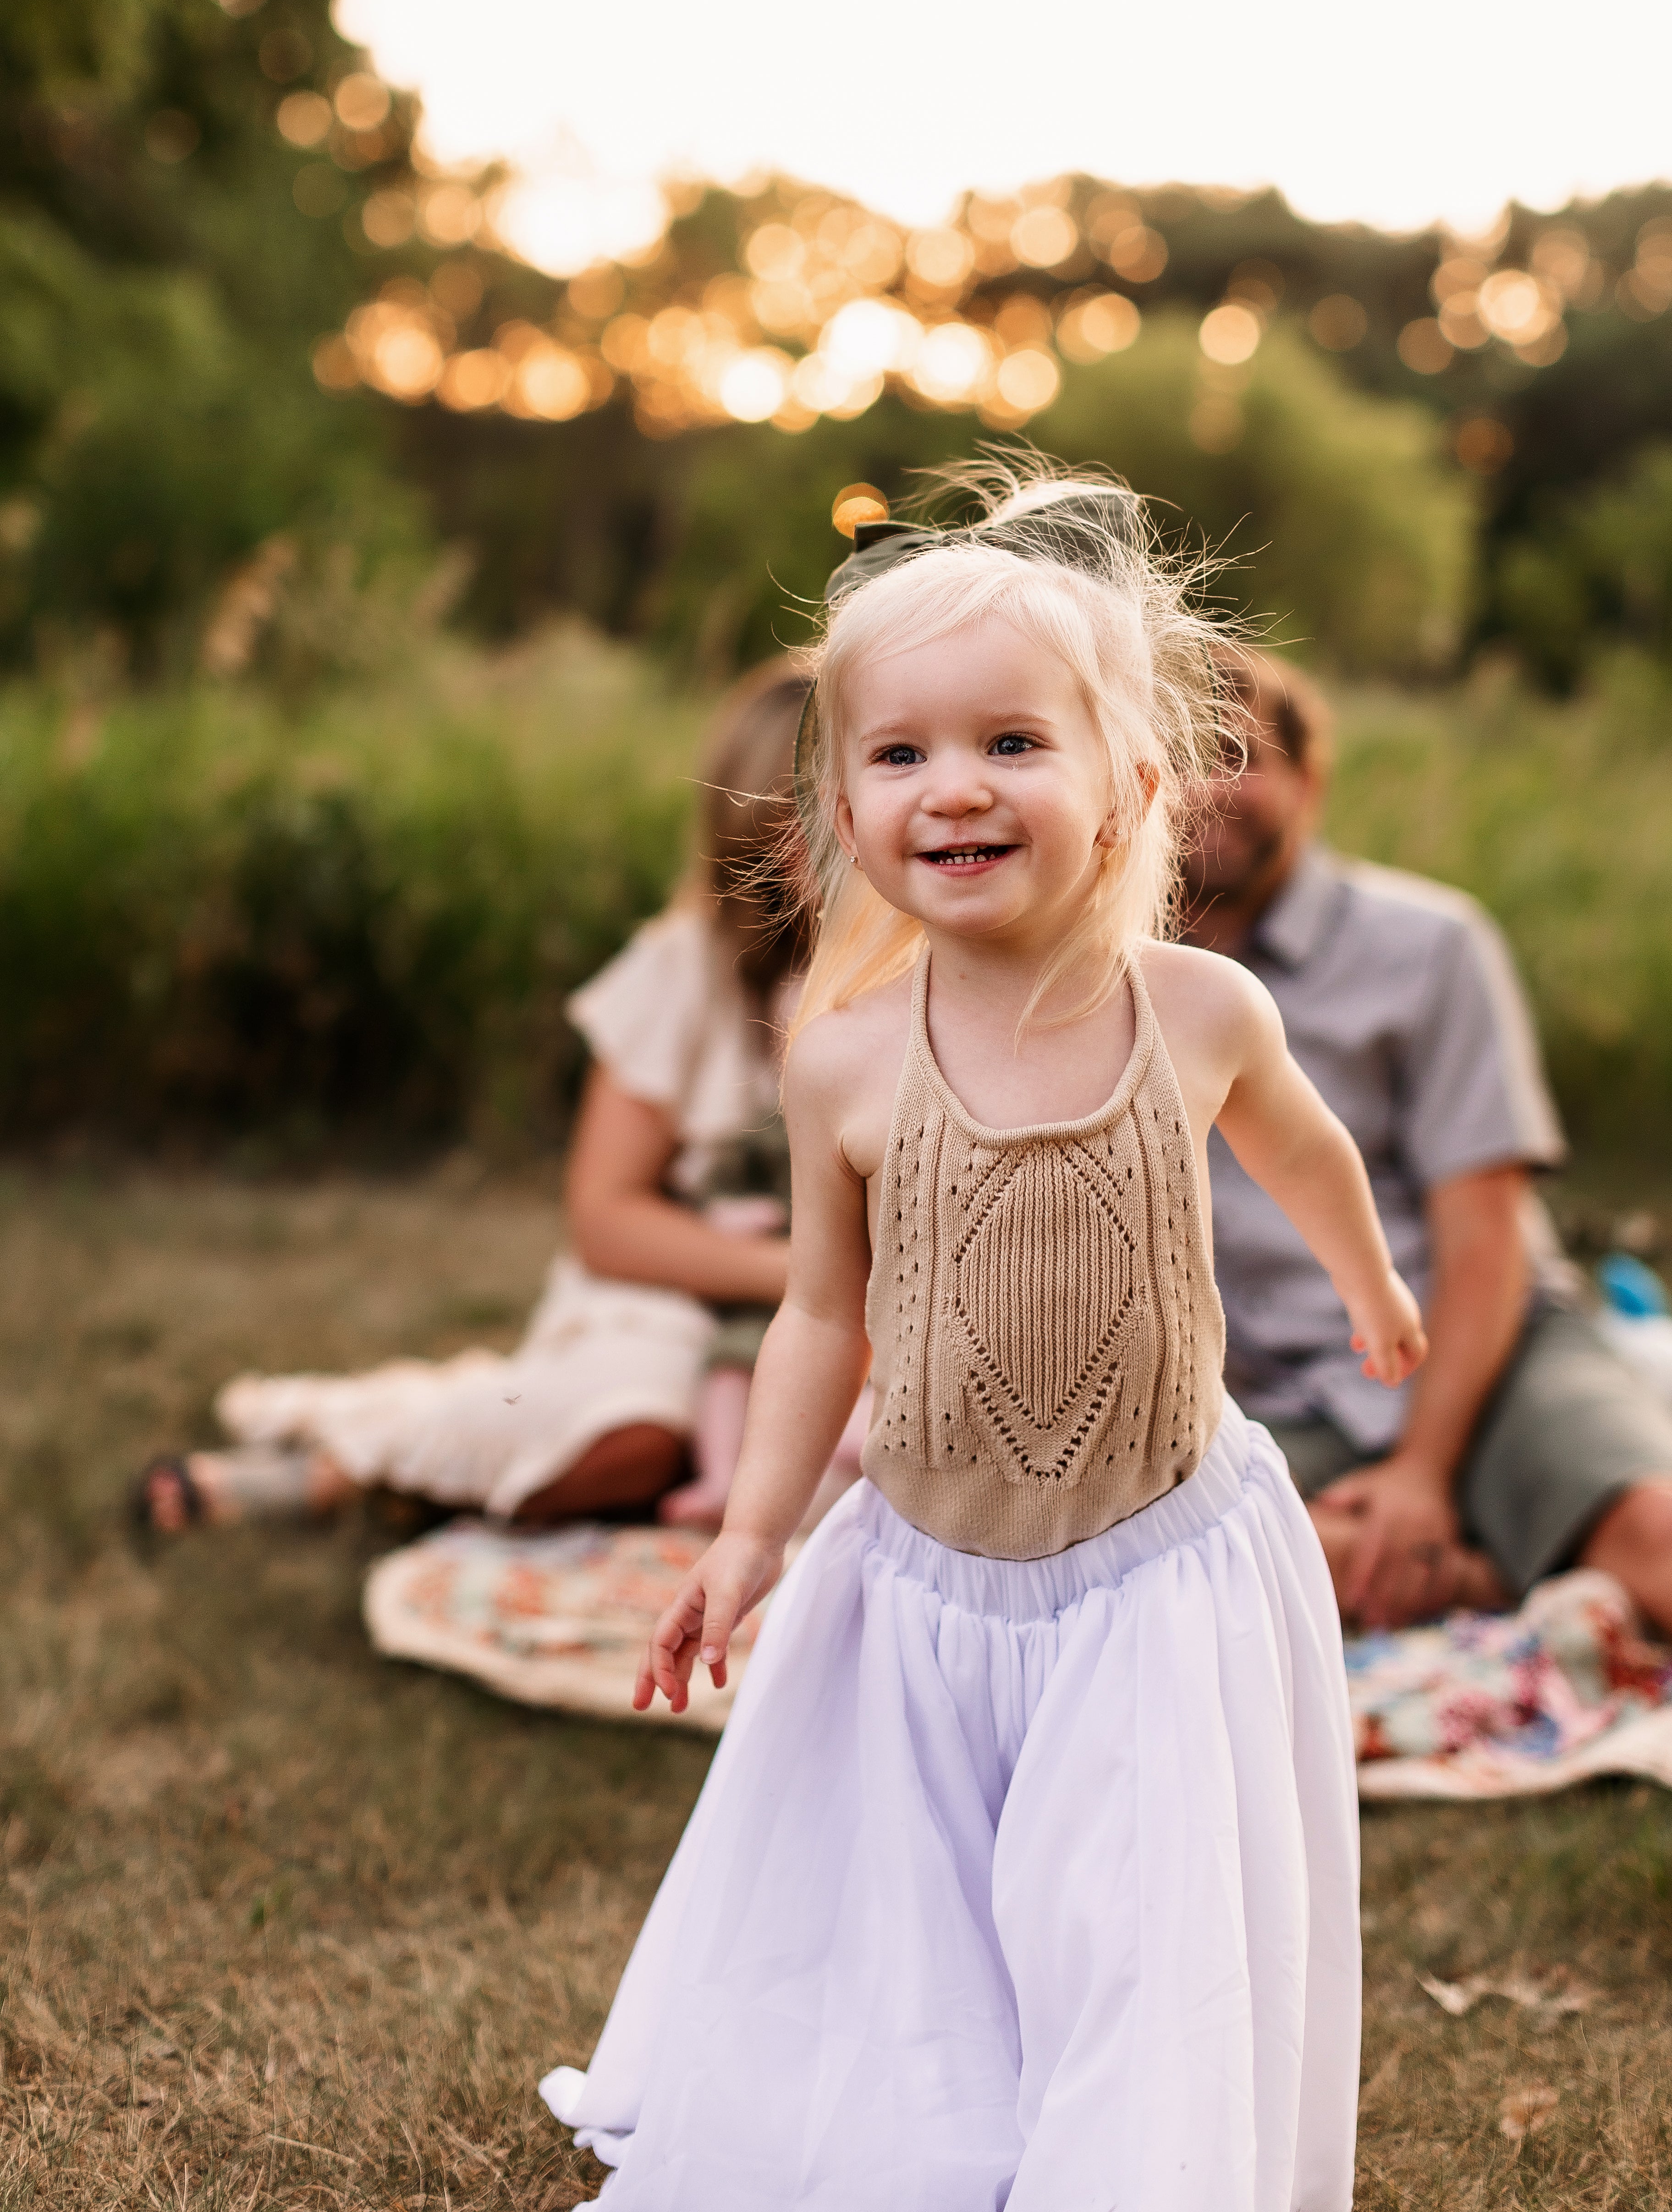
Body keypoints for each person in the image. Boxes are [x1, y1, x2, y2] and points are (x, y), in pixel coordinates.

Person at [541, 465, 1423, 2211]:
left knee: (1130, 1922)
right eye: (900, 755)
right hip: (925, 1582)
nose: (954, 786)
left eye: (1013, 743)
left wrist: (1366, 1280)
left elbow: (1303, 1147)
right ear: (847, 807)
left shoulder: (1194, 1010)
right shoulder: (847, 1056)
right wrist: (749, 1531)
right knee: (918, 1928)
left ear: (1126, 788)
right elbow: (817, 1307)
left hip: (1151, 1574)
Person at [134, 659, 866, 1535]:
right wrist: (799, 1273)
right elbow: (605, 1219)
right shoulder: (680, 975)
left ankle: (428, 1467)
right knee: (632, 1430)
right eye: (781, 849)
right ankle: (343, 1470)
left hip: (855, 1311)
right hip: (677, 1297)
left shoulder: (925, 982)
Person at [1179, 646, 1672, 1634]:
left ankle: (1484, 1546)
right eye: (1177, 751)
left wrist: (1422, 1471)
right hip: (1269, 1394)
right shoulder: (1097, 981)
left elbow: (1485, 1239)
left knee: (1658, 1547)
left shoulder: (1431, 946)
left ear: (1310, 780)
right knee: (1189, 1591)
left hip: (1484, 1355)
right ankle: (1486, 1576)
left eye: (1237, 753)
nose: (1205, 786)